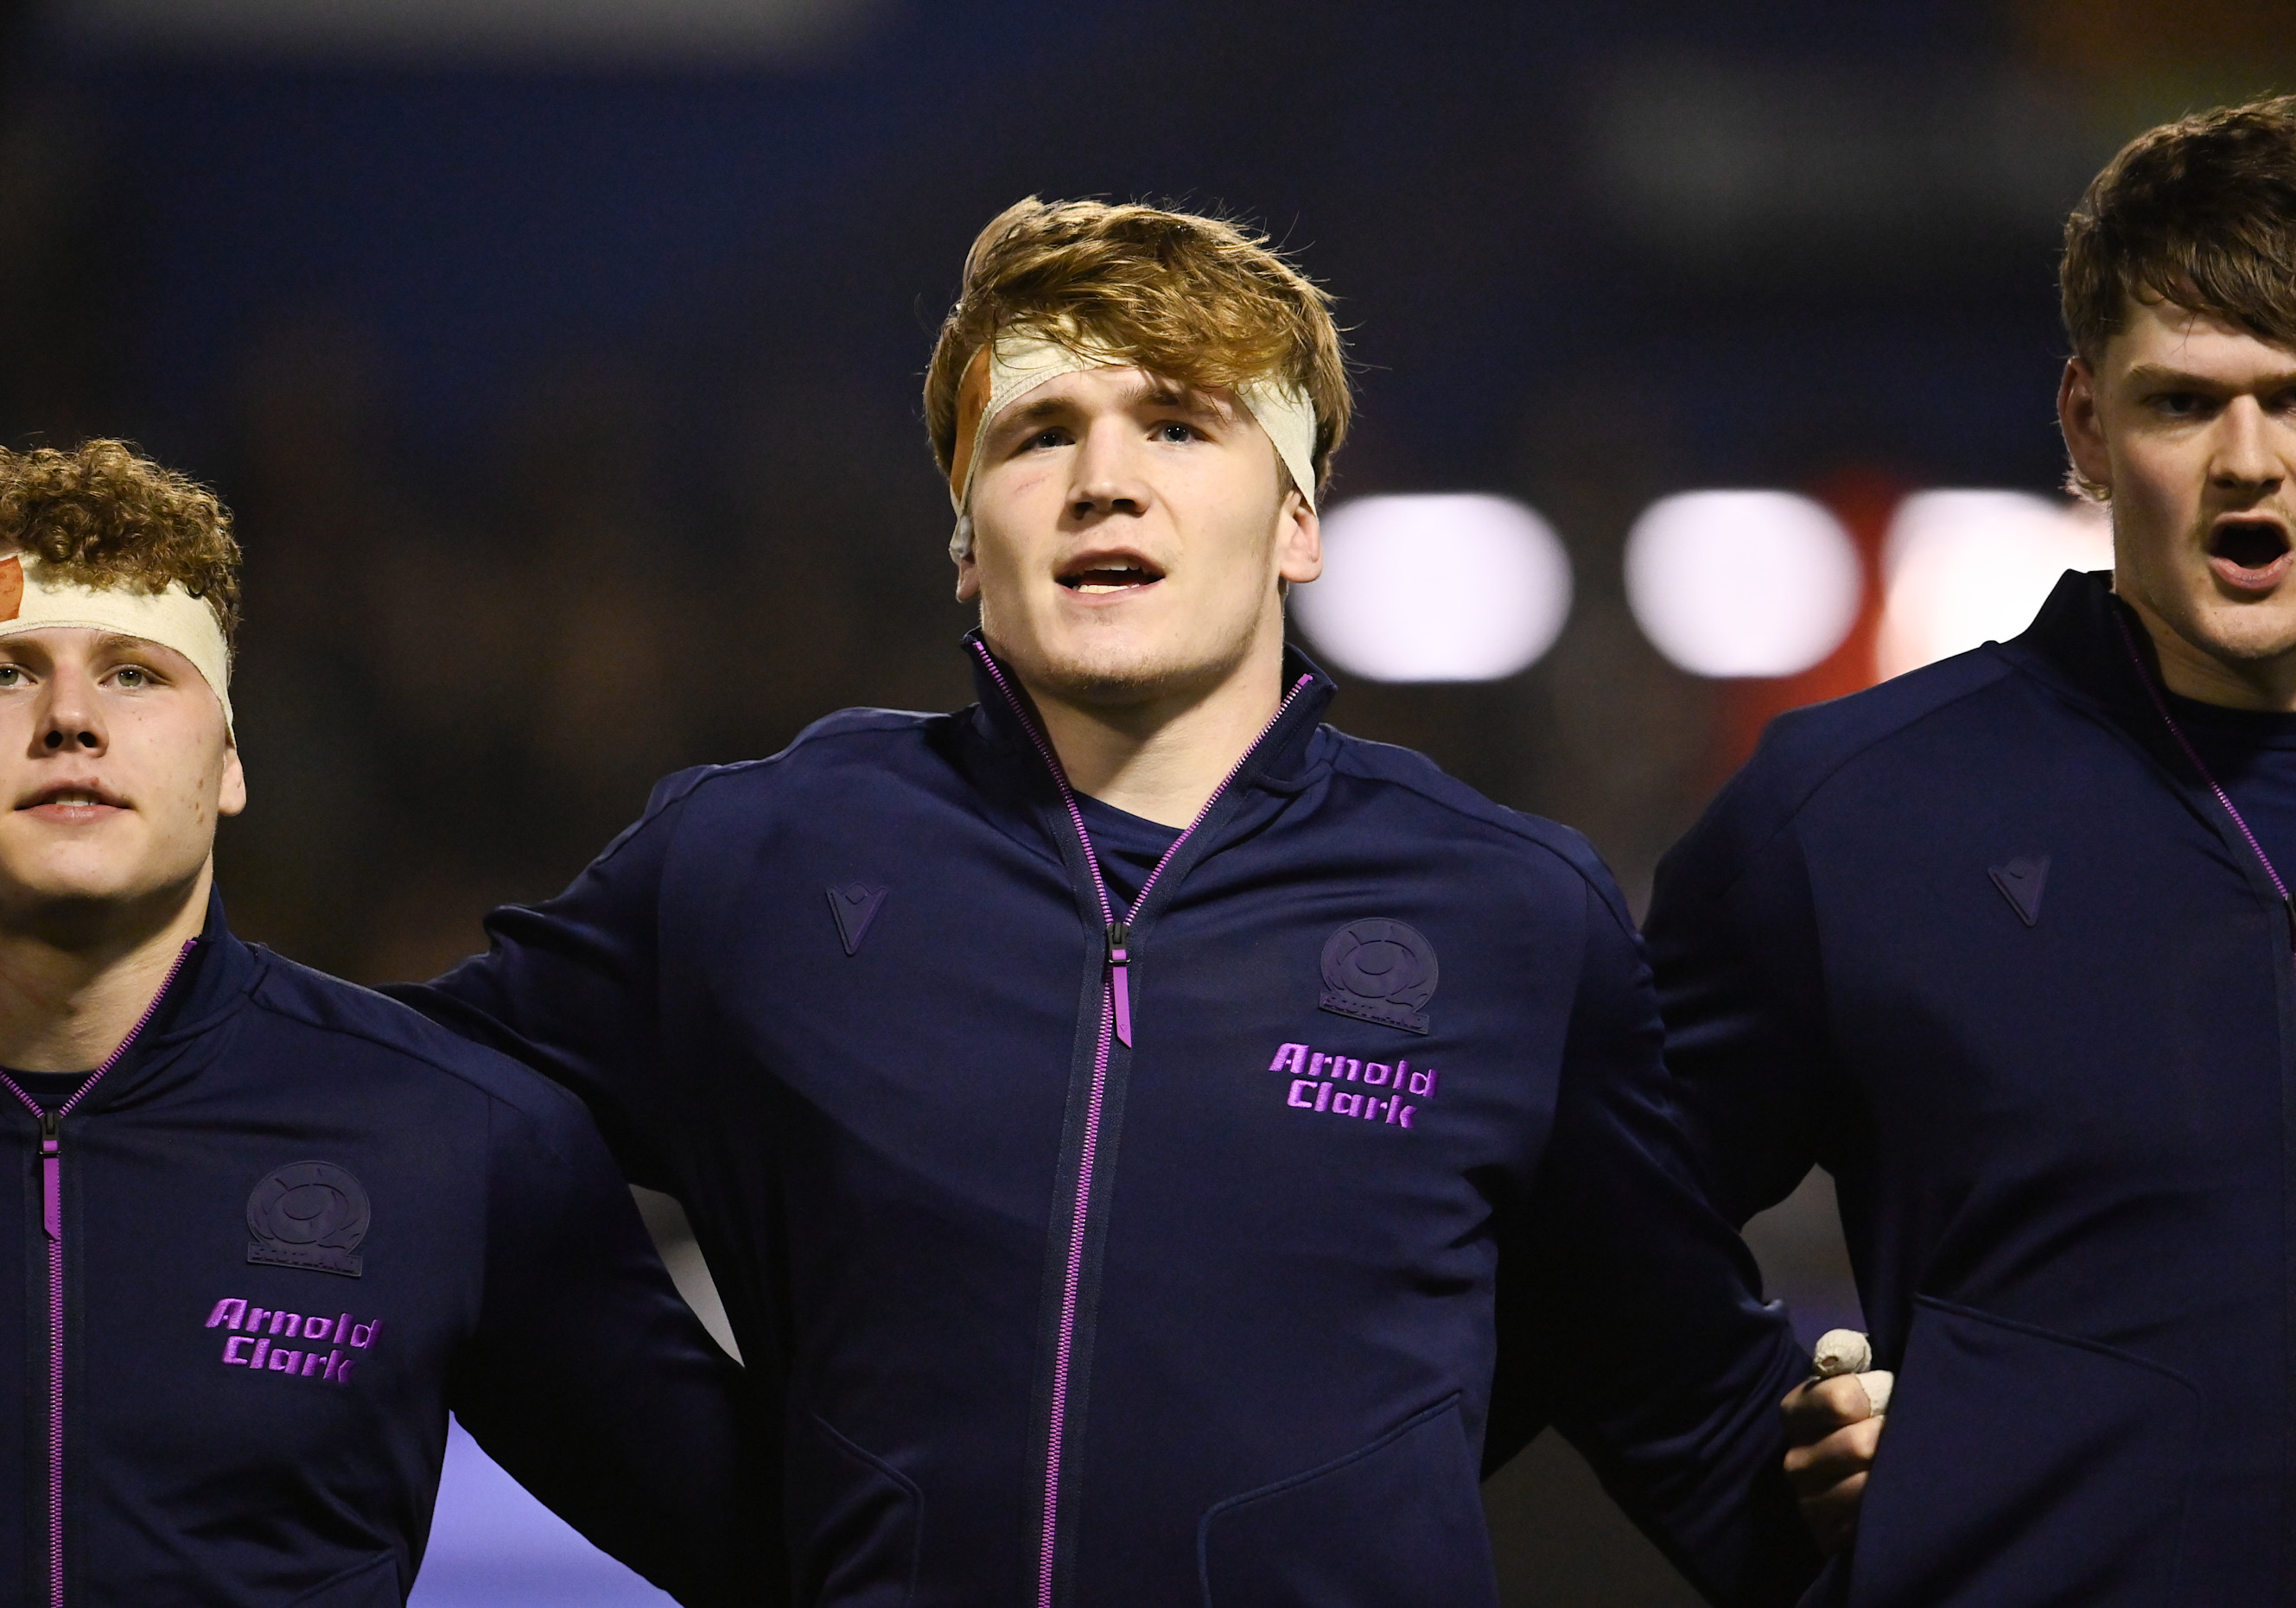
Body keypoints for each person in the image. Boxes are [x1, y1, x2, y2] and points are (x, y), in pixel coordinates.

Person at [392, 198, 1860, 1605]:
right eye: (1038, 434)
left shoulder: (1509, 916)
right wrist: (722, 1498)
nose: (1105, 476)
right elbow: (398, 1130)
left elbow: (1691, 1408)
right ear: (969, 543)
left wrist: (1873, 1466)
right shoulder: (759, 858)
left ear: (1297, 522)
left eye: (1176, 423)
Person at [0, 441, 773, 1605]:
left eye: (138, 674)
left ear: (232, 758)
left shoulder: (448, 1135)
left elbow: (795, 1555)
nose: (69, 717)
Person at [1644, 95, 2296, 1606]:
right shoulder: (1858, 812)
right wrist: (1768, 1460)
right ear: (2086, 423)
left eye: (2292, 395)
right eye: (2186, 401)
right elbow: (1591, 1235)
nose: (2251, 460)